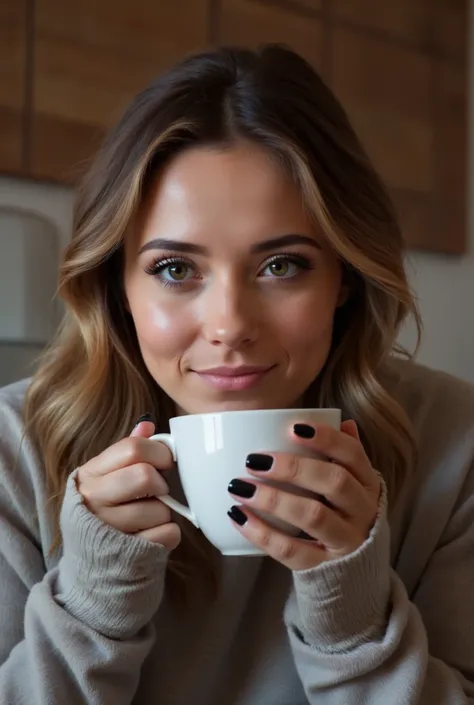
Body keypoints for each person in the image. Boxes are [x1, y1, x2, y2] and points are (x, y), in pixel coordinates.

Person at [0, 43, 472, 705]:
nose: (229, 325)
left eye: (282, 265)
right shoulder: (13, 452)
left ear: (344, 277)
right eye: (174, 269)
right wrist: (90, 603)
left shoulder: (453, 445)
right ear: (117, 286)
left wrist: (354, 619)